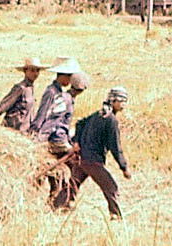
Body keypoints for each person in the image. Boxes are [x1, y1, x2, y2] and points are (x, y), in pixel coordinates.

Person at [53, 86, 132, 218]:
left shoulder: (98, 114)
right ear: (112, 101)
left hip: (82, 158)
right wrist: (123, 167)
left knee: (73, 184)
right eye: (120, 101)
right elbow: (115, 146)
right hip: (93, 161)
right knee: (111, 187)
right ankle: (115, 215)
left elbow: (80, 123)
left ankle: (57, 206)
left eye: (125, 101)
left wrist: (77, 141)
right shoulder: (110, 120)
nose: (123, 104)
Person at [40, 71, 88, 201]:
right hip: (58, 140)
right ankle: (63, 198)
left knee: (62, 169)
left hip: (61, 137)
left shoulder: (68, 98)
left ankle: (58, 195)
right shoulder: (65, 99)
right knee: (77, 165)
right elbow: (53, 120)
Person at [0, 56, 46, 132]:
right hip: (14, 130)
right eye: (32, 70)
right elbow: (5, 104)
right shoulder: (20, 88)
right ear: (25, 71)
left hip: (24, 131)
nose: (35, 74)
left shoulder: (31, 89)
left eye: (37, 71)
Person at [29, 56, 81, 138]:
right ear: (63, 76)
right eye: (69, 76)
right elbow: (42, 113)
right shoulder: (51, 92)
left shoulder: (59, 92)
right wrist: (34, 131)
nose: (70, 80)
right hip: (46, 135)